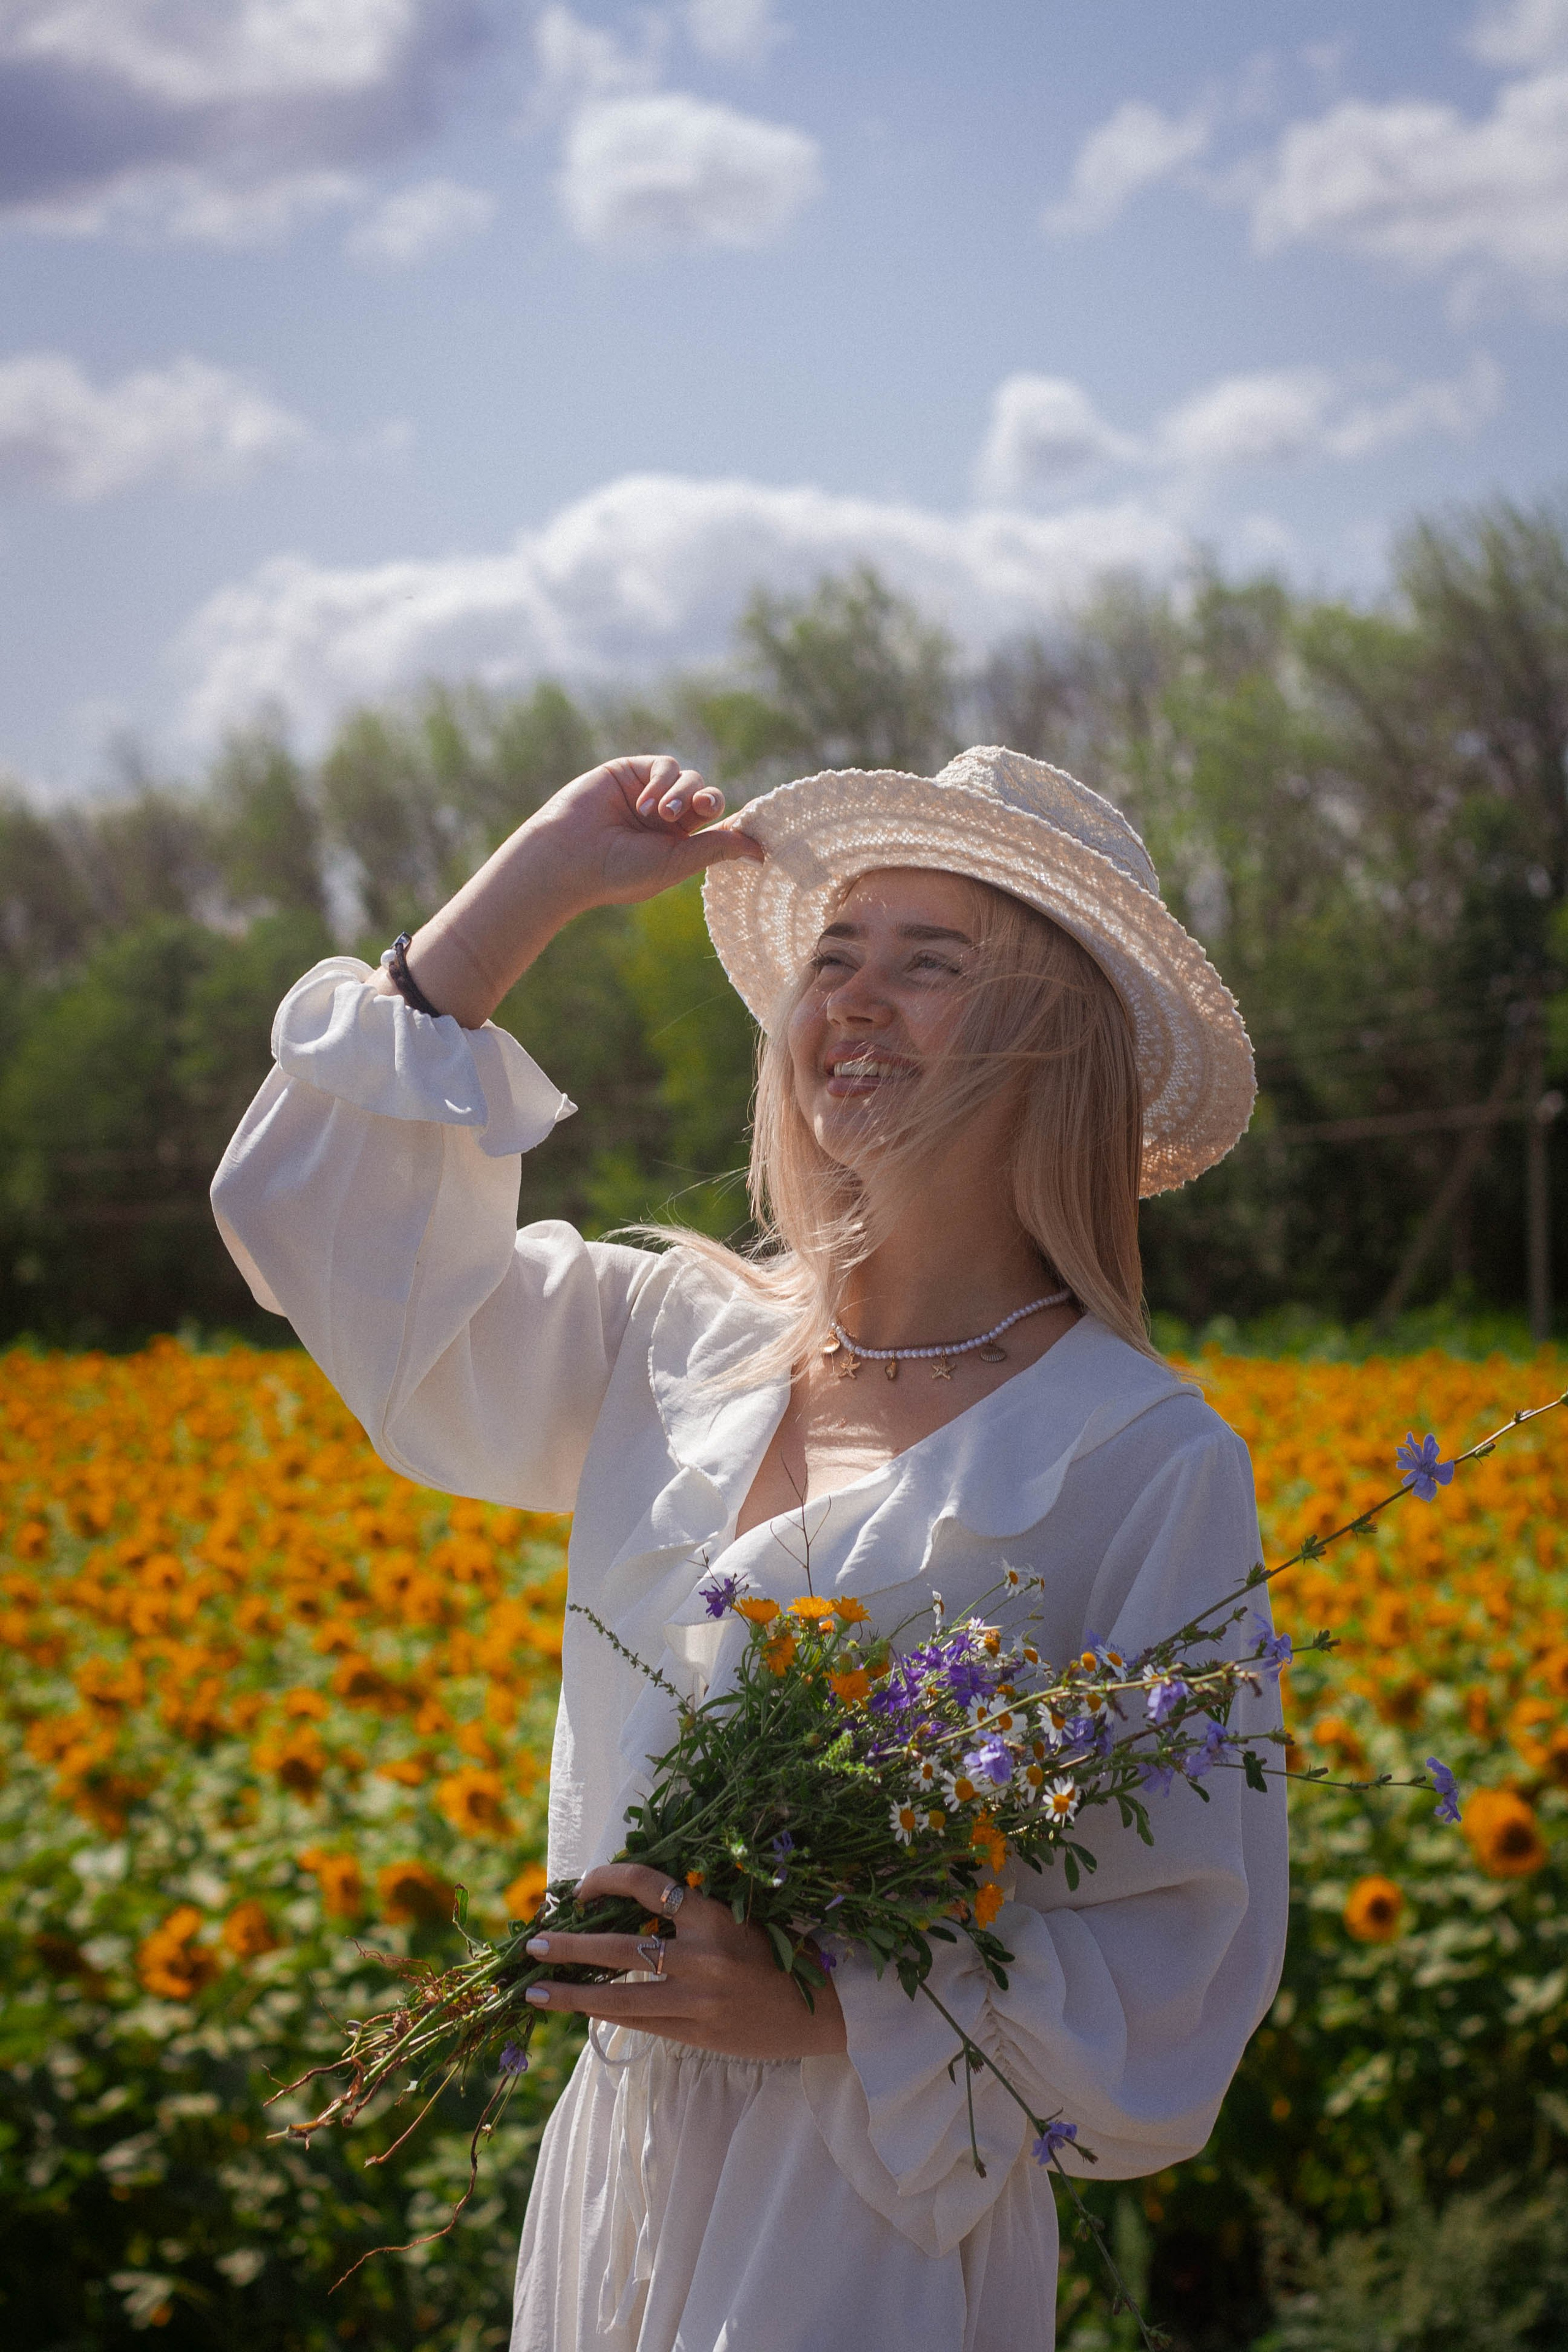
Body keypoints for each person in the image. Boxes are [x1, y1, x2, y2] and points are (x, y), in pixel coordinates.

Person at [212, 745, 1286, 2352]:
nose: (853, 998)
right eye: (834, 956)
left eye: (931, 964)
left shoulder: (1142, 1457)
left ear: (1058, 1041)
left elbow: (1180, 1964)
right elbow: (326, 1240)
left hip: (873, 2212)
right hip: (616, 2164)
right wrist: (527, 892)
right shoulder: (668, 1342)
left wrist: (833, 2005)